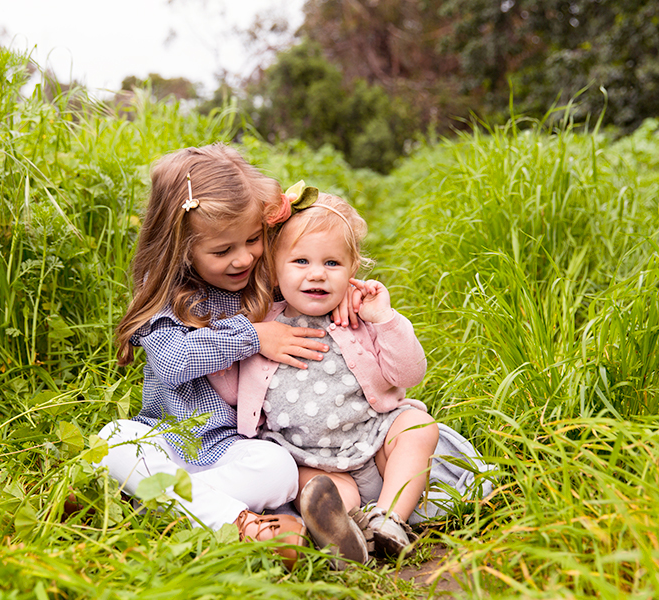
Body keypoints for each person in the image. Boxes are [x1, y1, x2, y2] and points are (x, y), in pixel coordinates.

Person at [96, 145, 333, 570]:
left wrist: (356, 294)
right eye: (222, 251)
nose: (243, 258)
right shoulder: (167, 297)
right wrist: (251, 336)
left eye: (253, 240)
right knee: (111, 439)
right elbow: (174, 361)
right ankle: (239, 523)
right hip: (165, 438)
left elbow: (314, 270)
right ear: (182, 248)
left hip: (234, 447)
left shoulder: (262, 276)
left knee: (279, 470)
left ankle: (153, 505)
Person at [230, 189, 441, 566]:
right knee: (319, 494)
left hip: (375, 445)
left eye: (332, 263)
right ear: (274, 268)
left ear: (352, 268)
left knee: (418, 426)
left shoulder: (361, 317)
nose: (316, 273)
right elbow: (230, 388)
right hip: (306, 457)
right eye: (300, 261)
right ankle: (344, 536)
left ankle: (390, 519)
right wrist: (242, 342)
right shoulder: (261, 326)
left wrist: (386, 320)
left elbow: (410, 373)